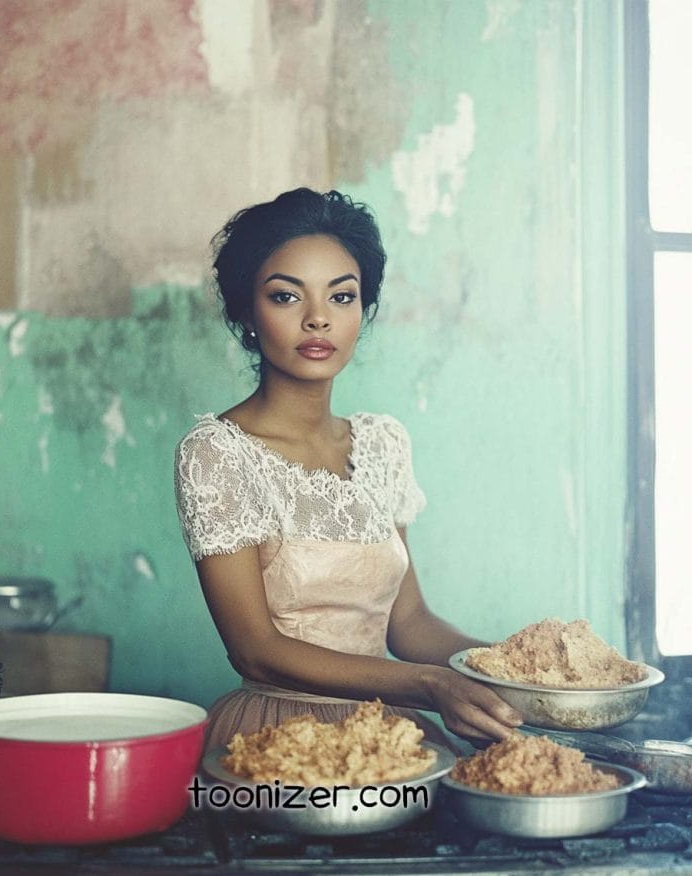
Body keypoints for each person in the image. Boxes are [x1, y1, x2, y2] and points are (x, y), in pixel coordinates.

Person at [174, 188, 522, 752]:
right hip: (273, 737)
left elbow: (409, 625)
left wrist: (514, 670)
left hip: (383, 734)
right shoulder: (218, 453)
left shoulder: (383, 443)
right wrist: (431, 685)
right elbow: (254, 648)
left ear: (364, 310)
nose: (318, 319)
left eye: (342, 296)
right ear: (246, 313)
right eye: (286, 296)